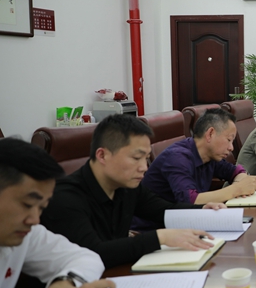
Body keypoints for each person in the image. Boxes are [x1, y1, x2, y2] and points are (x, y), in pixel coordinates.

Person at [41, 115, 222, 269]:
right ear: (102, 155)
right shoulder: (66, 198)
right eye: (136, 158)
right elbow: (94, 253)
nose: (144, 167)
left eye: (146, 158)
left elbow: (163, 210)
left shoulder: (127, 186)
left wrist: (202, 209)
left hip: (119, 274)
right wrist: (160, 237)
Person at [0, 139, 114, 288]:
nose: (35, 219)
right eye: (27, 204)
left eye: (41, 207)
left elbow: (87, 257)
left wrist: (65, 283)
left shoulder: (25, 233)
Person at [141, 108, 256, 204]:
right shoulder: (177, 158)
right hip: (155, 225)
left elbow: (236, 171)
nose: (231, 148)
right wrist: (237, 189)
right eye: (229, 139)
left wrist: (243, 183)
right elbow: (190, 200)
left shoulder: (210, 155)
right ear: (210, 134)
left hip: (189, 220)